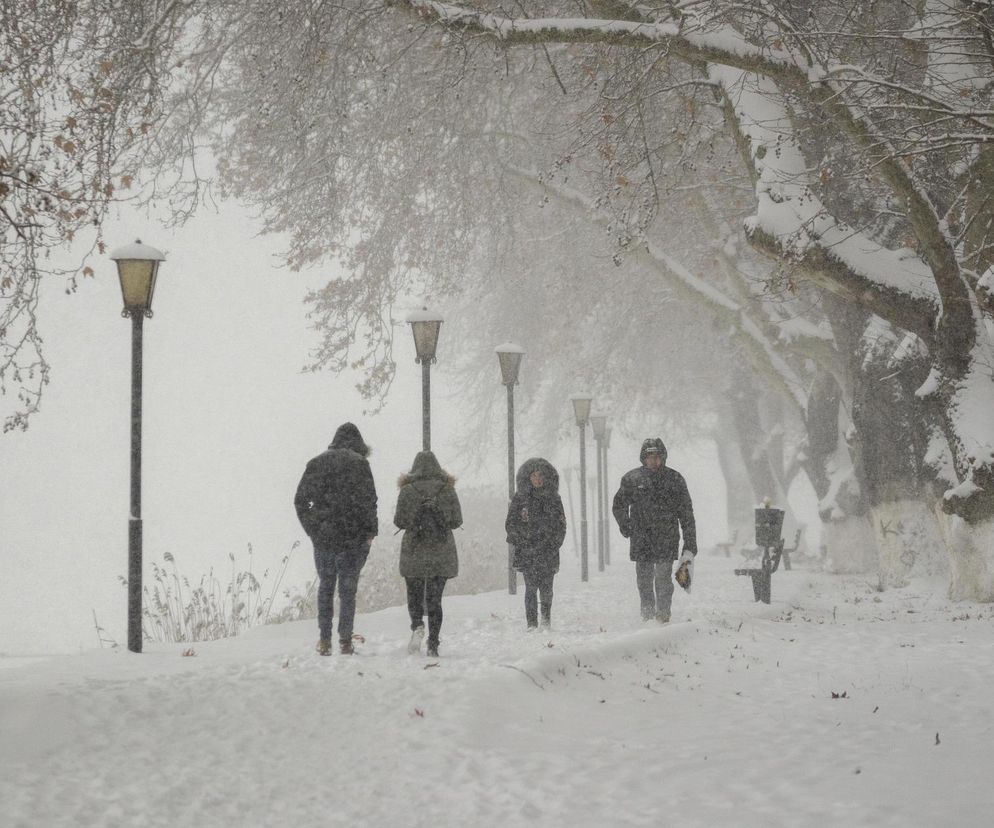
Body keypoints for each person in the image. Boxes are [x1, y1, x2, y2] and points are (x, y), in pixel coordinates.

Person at [294, 422, 378, 655]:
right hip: (353, 536)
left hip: (325, 537)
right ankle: (345, 640)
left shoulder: (317, 463)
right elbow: (370, 501)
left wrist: (314, 529)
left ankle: (324, 640)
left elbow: (300, 501)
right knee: (347, 590)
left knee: (326, 587)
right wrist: (369, 533)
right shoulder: (360, 464)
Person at [612, 438, 697, 623]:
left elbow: (686, 513)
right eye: (649, 457)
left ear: (663, 457)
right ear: (644, 458)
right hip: (641, 539)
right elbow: (618, 505)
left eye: (657, 456)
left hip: (666, 538)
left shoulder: (675, 479)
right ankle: (648, 614)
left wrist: (690, 543)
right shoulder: (632, 479)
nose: (653, 461)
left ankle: (663, 614)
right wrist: (626, 526)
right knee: (644, 581)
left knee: (662, 578)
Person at [393, 450, 463, 658]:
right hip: (440, 551)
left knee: (414, 594)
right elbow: (457, 520)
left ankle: (417, 625)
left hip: (414, 550)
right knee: (435, 599)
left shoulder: (407, 490)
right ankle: (433, 642)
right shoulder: (447, 489)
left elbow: (399, 521)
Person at [505, 458, 567, 630]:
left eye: (541, 475)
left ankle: (546, 620)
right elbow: (510, 524)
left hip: (548, 552)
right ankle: (531, 623)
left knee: (547, 588)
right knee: (530, 588)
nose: (538, 479)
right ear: (528, 477)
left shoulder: (554, 498)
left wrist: (553, 543)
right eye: (534, 475)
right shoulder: (520, 499)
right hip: (528, 552)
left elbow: (561, 525)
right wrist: (523, 540)